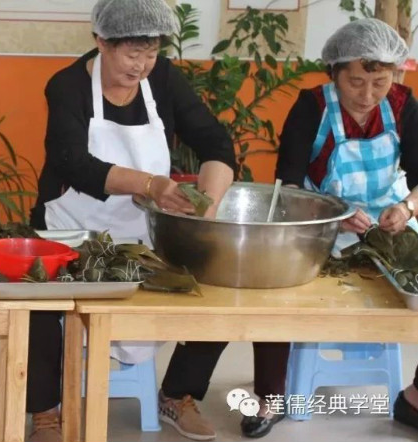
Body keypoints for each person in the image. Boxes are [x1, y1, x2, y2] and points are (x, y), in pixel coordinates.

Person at [27, 0, 235, 441]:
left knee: (220, 286)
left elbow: (215, 143)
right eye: (131, 54)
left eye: (151, 53)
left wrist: (208, 207)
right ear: (101, 43)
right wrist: (150, 184)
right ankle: (45, 411)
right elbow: (73, 163)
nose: (141, 66)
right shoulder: (67, 86)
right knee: (39, 298)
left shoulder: (164, 80)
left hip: (146, 231)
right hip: (71, 227)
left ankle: (178, 394)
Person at [276, 17, 418, 436]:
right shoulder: (312, 107)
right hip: (320, 223)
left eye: (380, 83)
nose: (368, 95)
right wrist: (335, 215)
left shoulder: (403, 106)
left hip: (388, 221)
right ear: (334, 72)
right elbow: (287, 185)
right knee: (280, 286)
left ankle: (414, 398)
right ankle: (271, 393)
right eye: (356, 82)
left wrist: (406, 209)